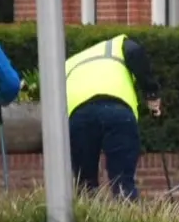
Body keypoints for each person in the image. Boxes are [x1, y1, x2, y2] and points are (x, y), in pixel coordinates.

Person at [65, 34, 163, 199]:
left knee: (84, 184)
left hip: (79, 116)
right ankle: (128, 218)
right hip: (117, 112)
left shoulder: (69, 64)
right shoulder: (116, 45)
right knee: (122, 182)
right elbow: (135, 51)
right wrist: (151, 93)